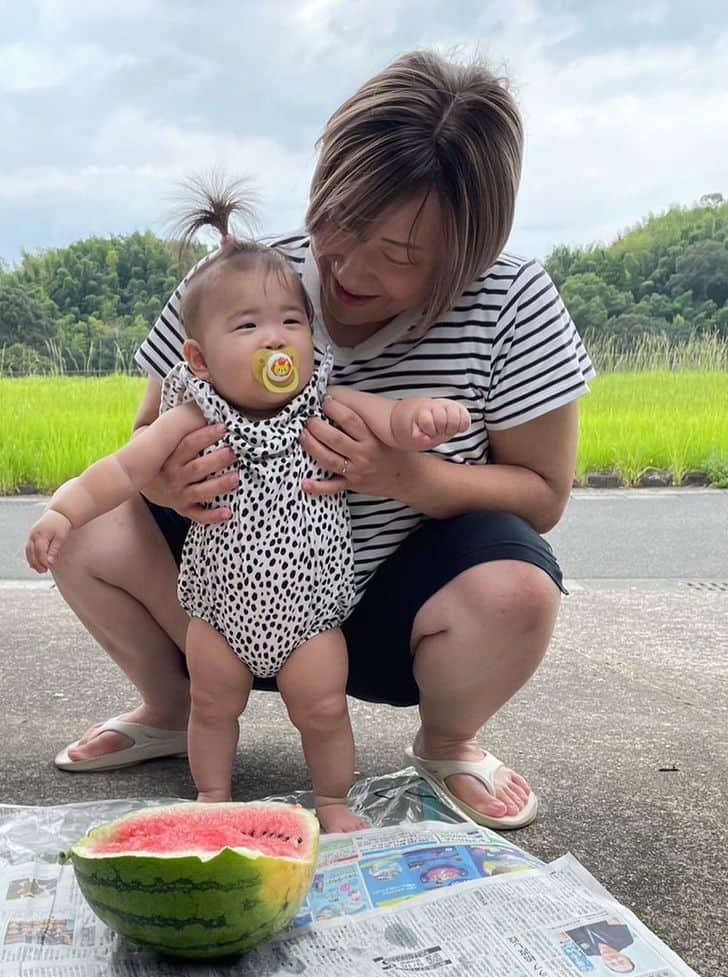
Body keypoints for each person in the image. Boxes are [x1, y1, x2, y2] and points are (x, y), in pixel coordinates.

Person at [48, 49, 592, 831]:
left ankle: (449, 742)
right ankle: (172, 709)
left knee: (517, 589)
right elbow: (147, 433)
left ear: (465, 255)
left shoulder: (513, 302)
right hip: (224, 594)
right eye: (337, 218)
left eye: (399, 256)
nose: (344, 265)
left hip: (385, 609)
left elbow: (542, 495)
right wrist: (169, 480)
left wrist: (410, 477)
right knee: (86, 519)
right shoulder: (243, 279)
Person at [28, 189, 467, 831]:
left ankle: (333, 802)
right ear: (200, 359)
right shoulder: (192, 414)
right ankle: (212, 796)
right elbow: (121, 470)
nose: (276, 339)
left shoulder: (325, 400)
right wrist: (63, 512)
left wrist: (423, 418)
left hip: (309, 612)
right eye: (248, 326)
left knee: (322, 710)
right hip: (218, 612)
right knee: (213, 708)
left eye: (292, 321)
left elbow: (391, 420)